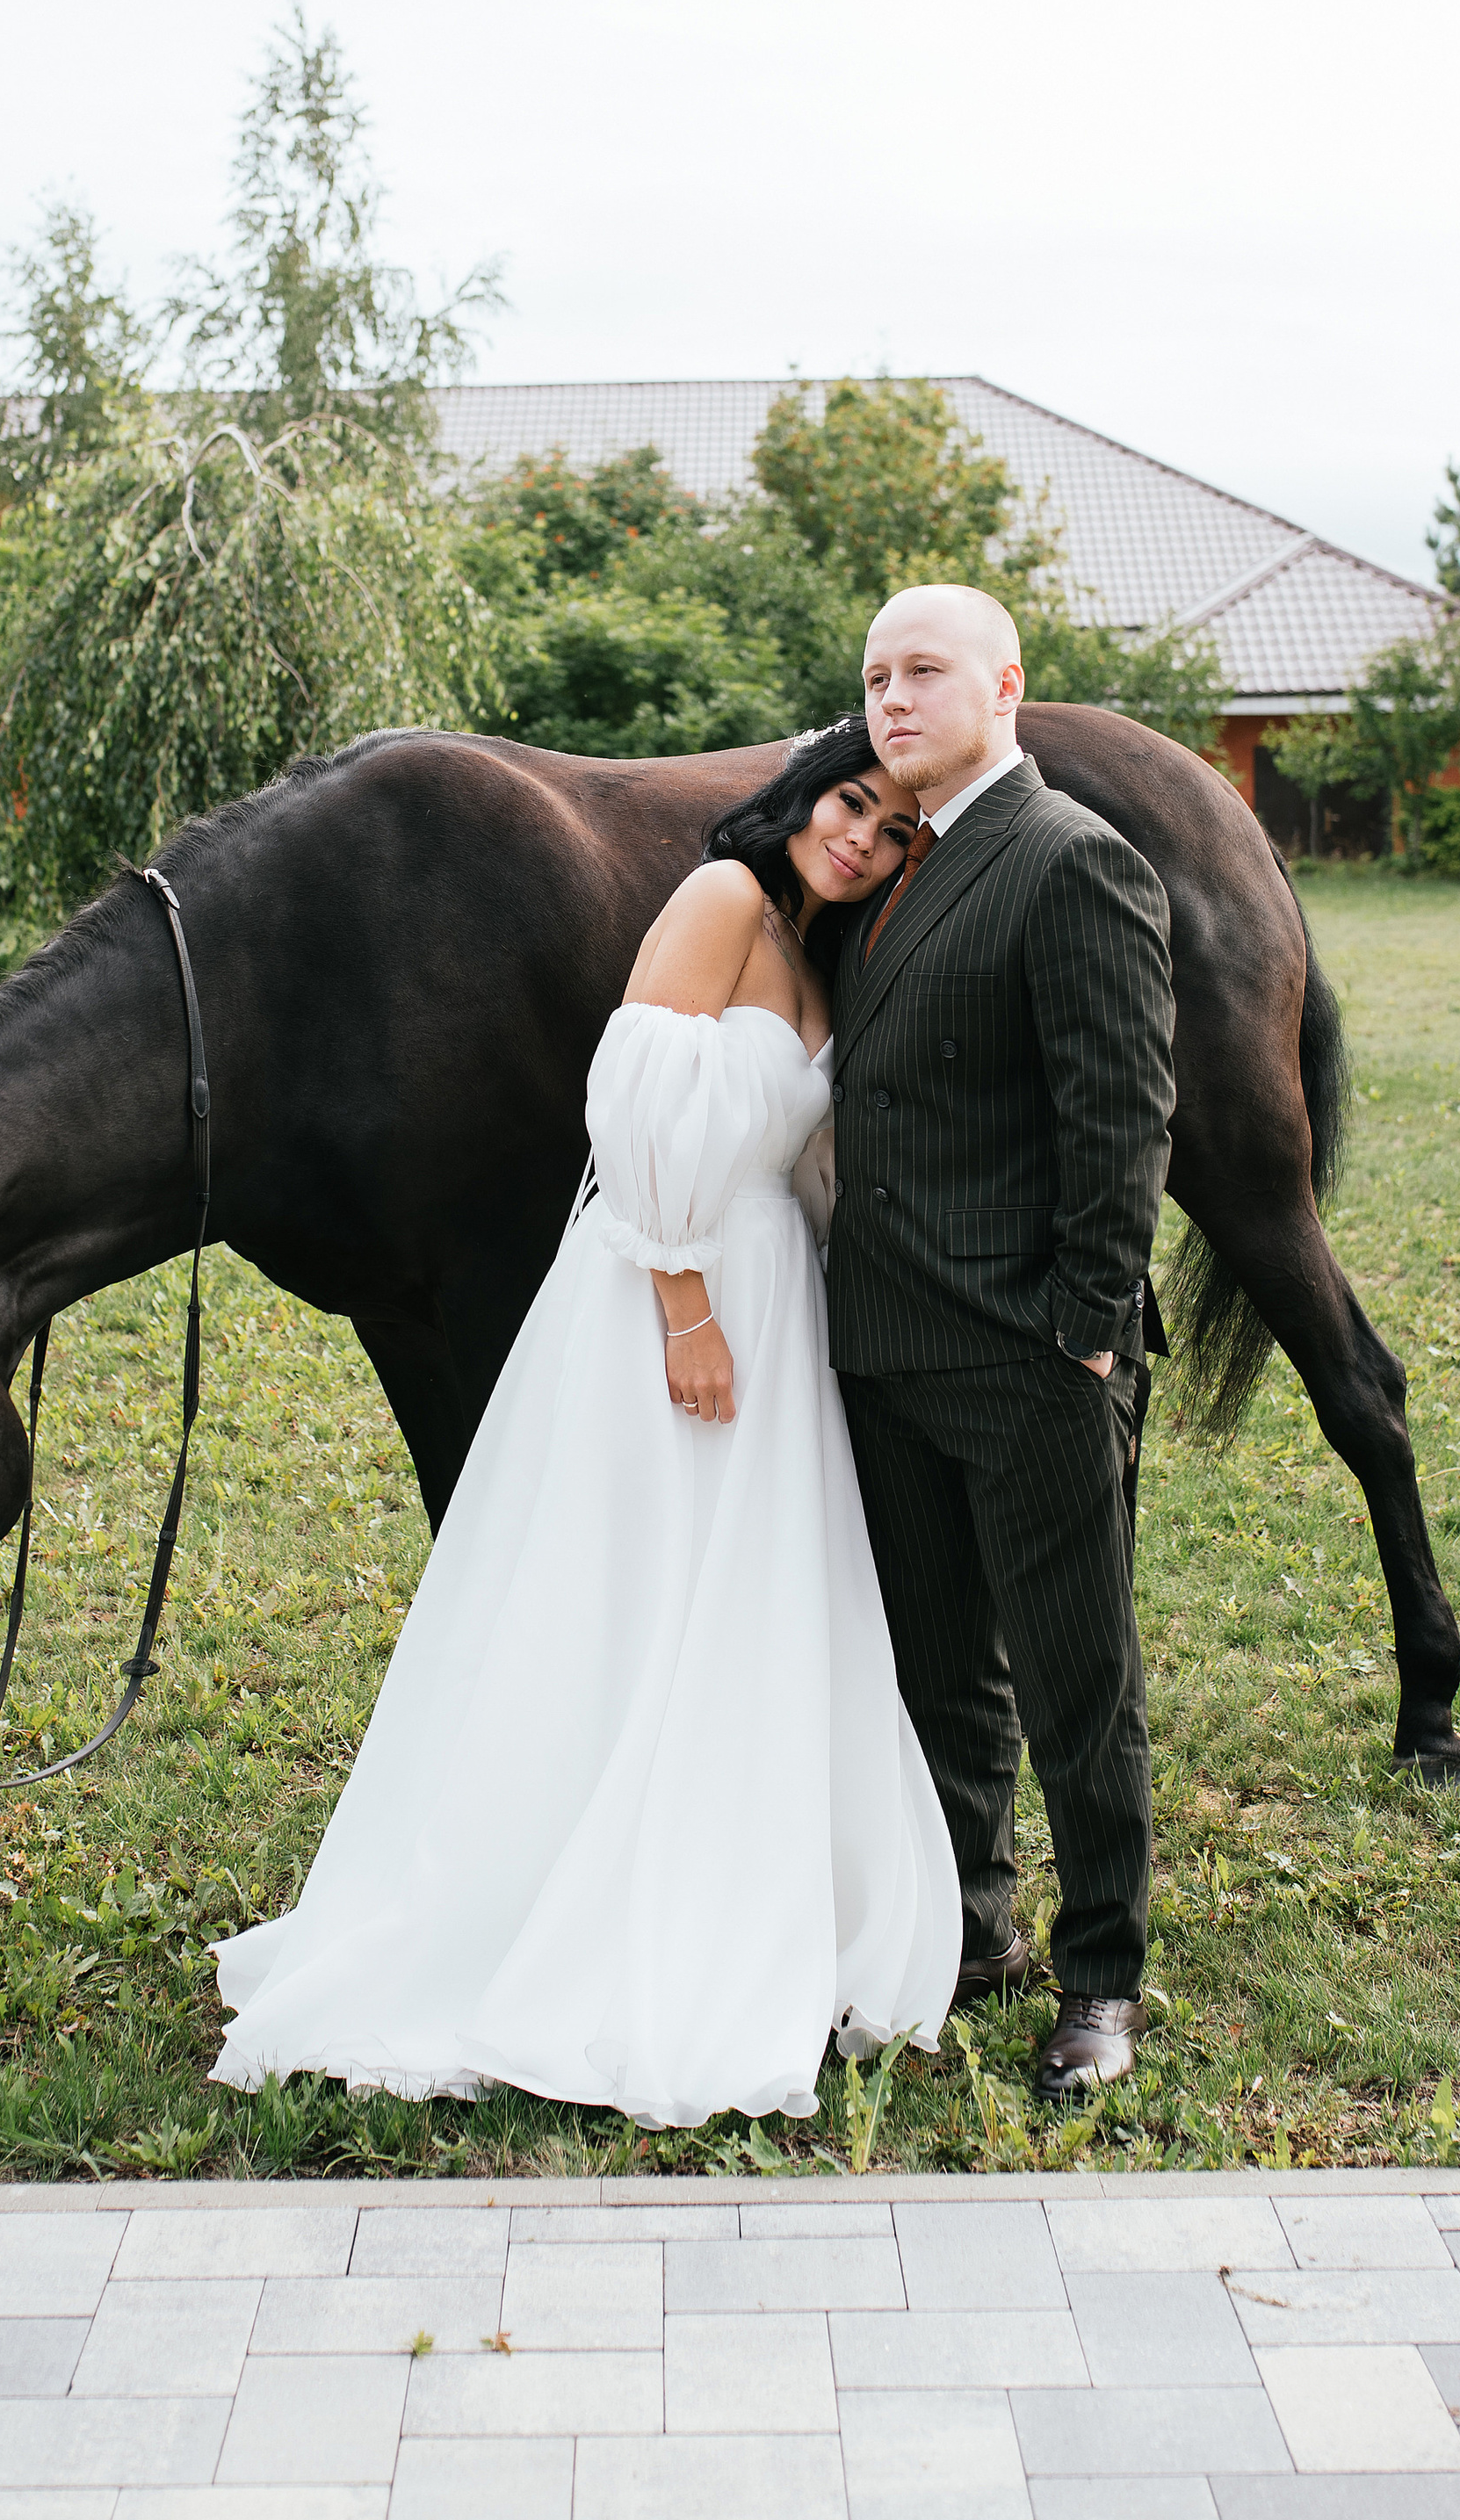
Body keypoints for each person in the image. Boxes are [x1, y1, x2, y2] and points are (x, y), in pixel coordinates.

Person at [209, 719, 960, 2127]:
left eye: (893, 832)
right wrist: (681, 1297)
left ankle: (727, 1879)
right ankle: (555, 1898)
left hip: (775, 1305)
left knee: (740, 1607)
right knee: (626, 1594)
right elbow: (627, 1101)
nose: (861, 837)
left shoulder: (820, 952)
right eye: (849, 805)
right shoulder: (724, 899)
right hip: (665, 1290)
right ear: (801, 798)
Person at [828, 584, 1175, 2105]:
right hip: (891, 1346)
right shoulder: (900, 868)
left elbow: (1124, 1123)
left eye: (924, 672)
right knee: (937, 1668)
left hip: (1030, 1358)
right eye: (875, 677)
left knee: (1073, 1674)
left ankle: (1102, 1975)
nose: (893, 699)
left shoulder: (1070, 859)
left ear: (1007, 686)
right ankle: (976, 1925)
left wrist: (1086, 1340)